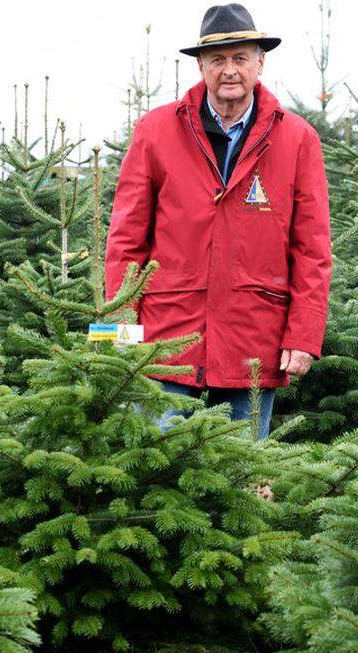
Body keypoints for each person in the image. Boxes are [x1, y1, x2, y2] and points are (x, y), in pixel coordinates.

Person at [104, 3, 332, 439]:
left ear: (260, 62)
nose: (230, 70)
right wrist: (120, 328)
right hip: (167, 333)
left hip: (254, 334)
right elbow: (126, 239)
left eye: (240, 58)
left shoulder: (298, 138)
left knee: (242, 472)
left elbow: (312, 247)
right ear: (201, 66)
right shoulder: (155, 131)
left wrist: (304, 335)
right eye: (218, 60)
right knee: (155, 460)